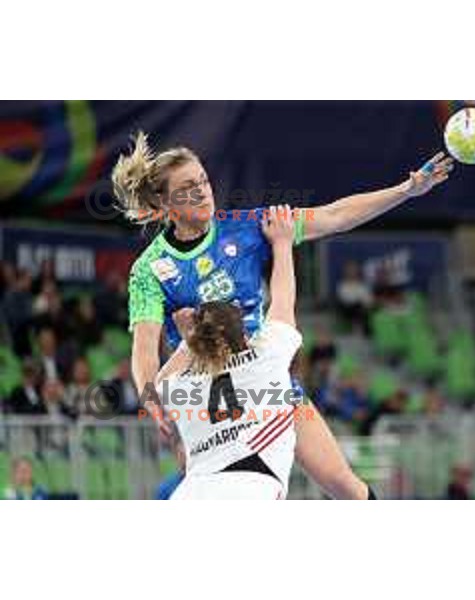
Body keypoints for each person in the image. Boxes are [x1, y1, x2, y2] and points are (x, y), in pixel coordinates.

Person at [115, 132, 453, 500]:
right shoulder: (150, 269)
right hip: (208, 399)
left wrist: (405, 190)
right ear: (164, 202)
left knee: (346, 486)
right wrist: (156, 405)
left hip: (267, 381)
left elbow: (335, 215)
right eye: (186, 188)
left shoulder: (246, 228)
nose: (201, 191)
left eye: (204, 181)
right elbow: (145, 347)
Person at [154, 206, 302, 498]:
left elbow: (160, 379)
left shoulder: (182, 386)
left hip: (191, 494)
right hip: (250, 488)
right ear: (245, 333)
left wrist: (188, 341)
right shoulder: (266, 358)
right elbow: (283, 301)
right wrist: (283, 244)